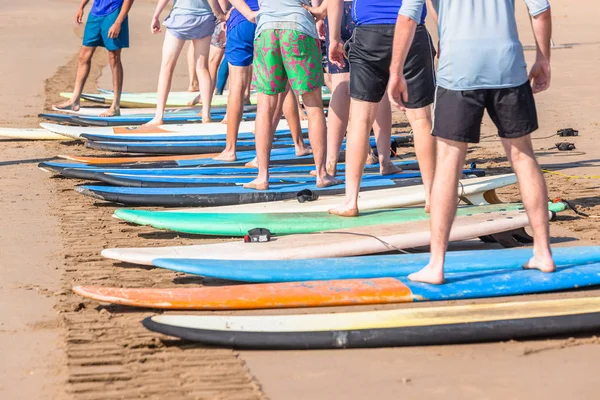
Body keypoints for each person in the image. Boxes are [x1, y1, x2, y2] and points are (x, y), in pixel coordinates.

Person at [390, 0, 554, 284]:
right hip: (508, 67)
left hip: (459, 70)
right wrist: (543, 58)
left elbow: (407, 17)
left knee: (448, 164)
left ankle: (437, 264)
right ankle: (543, 252)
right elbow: (540, 9)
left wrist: (395, 72)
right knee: (523, 156)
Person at [327, 0, 437, 217]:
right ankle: (433, 196)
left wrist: (334, 39)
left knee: (359, 121)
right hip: (412, 31)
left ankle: (350, 201)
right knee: (421, 119)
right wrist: (444, 33)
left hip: (369, 32)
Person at [236, 0, 340, 190]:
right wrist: (322, 11)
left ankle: (262, 176)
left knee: (264, 108)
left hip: (266, 30)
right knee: (313, 105)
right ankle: (321, 174)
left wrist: (249, 13)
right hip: (299, 28)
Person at [304, 0, 408, 178]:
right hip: (365, 14)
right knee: (379, 89)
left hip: (337, 12)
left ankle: (331, 161)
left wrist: (322, 11)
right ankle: (385, 160)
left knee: (340, 86)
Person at [144, 0, 226, 126]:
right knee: (202, 68)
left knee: (167, 68)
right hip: (204, 18)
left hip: (180, 17)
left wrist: (156, 15)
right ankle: (206, 114)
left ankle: (159, 116)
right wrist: (221, 16)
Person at [53, 0, 134, 117]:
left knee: (113, 57)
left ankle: (115, 106)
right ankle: (74, 100)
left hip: (114, 12)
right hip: (96, 13)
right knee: (83, 56)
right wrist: (81, 6)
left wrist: (118, 22)